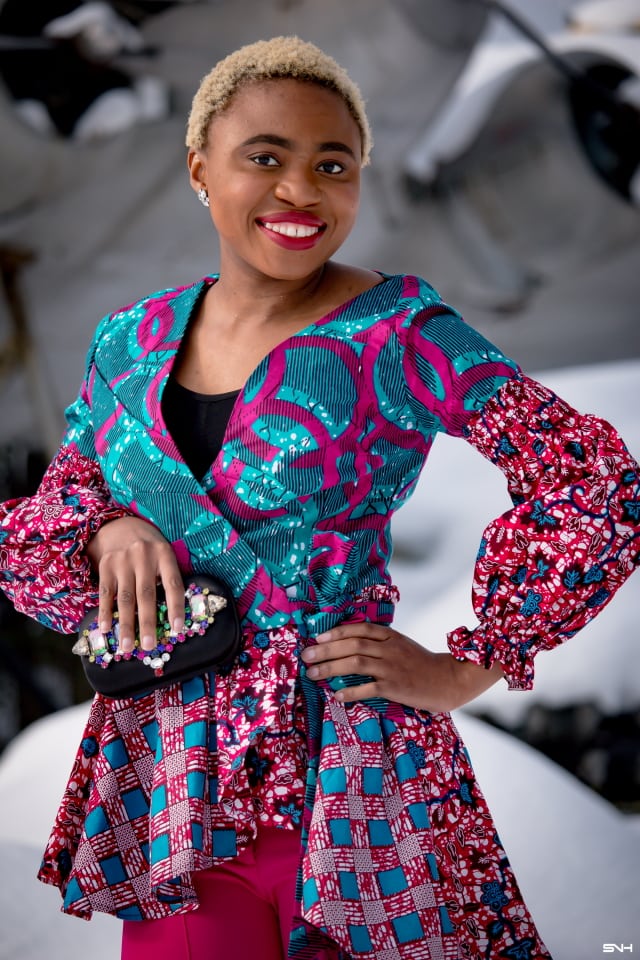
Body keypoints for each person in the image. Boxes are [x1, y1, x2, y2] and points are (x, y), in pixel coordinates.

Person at [0, 35, 638, 960]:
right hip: (172, 783)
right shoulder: (129, 340)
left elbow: (592, 480)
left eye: (332, 165)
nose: (300, 190)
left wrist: (472, 664)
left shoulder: (402, 333)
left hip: (352, 784)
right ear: (200, 169)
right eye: (265, 158)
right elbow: (43, 527)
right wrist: (108, 529)